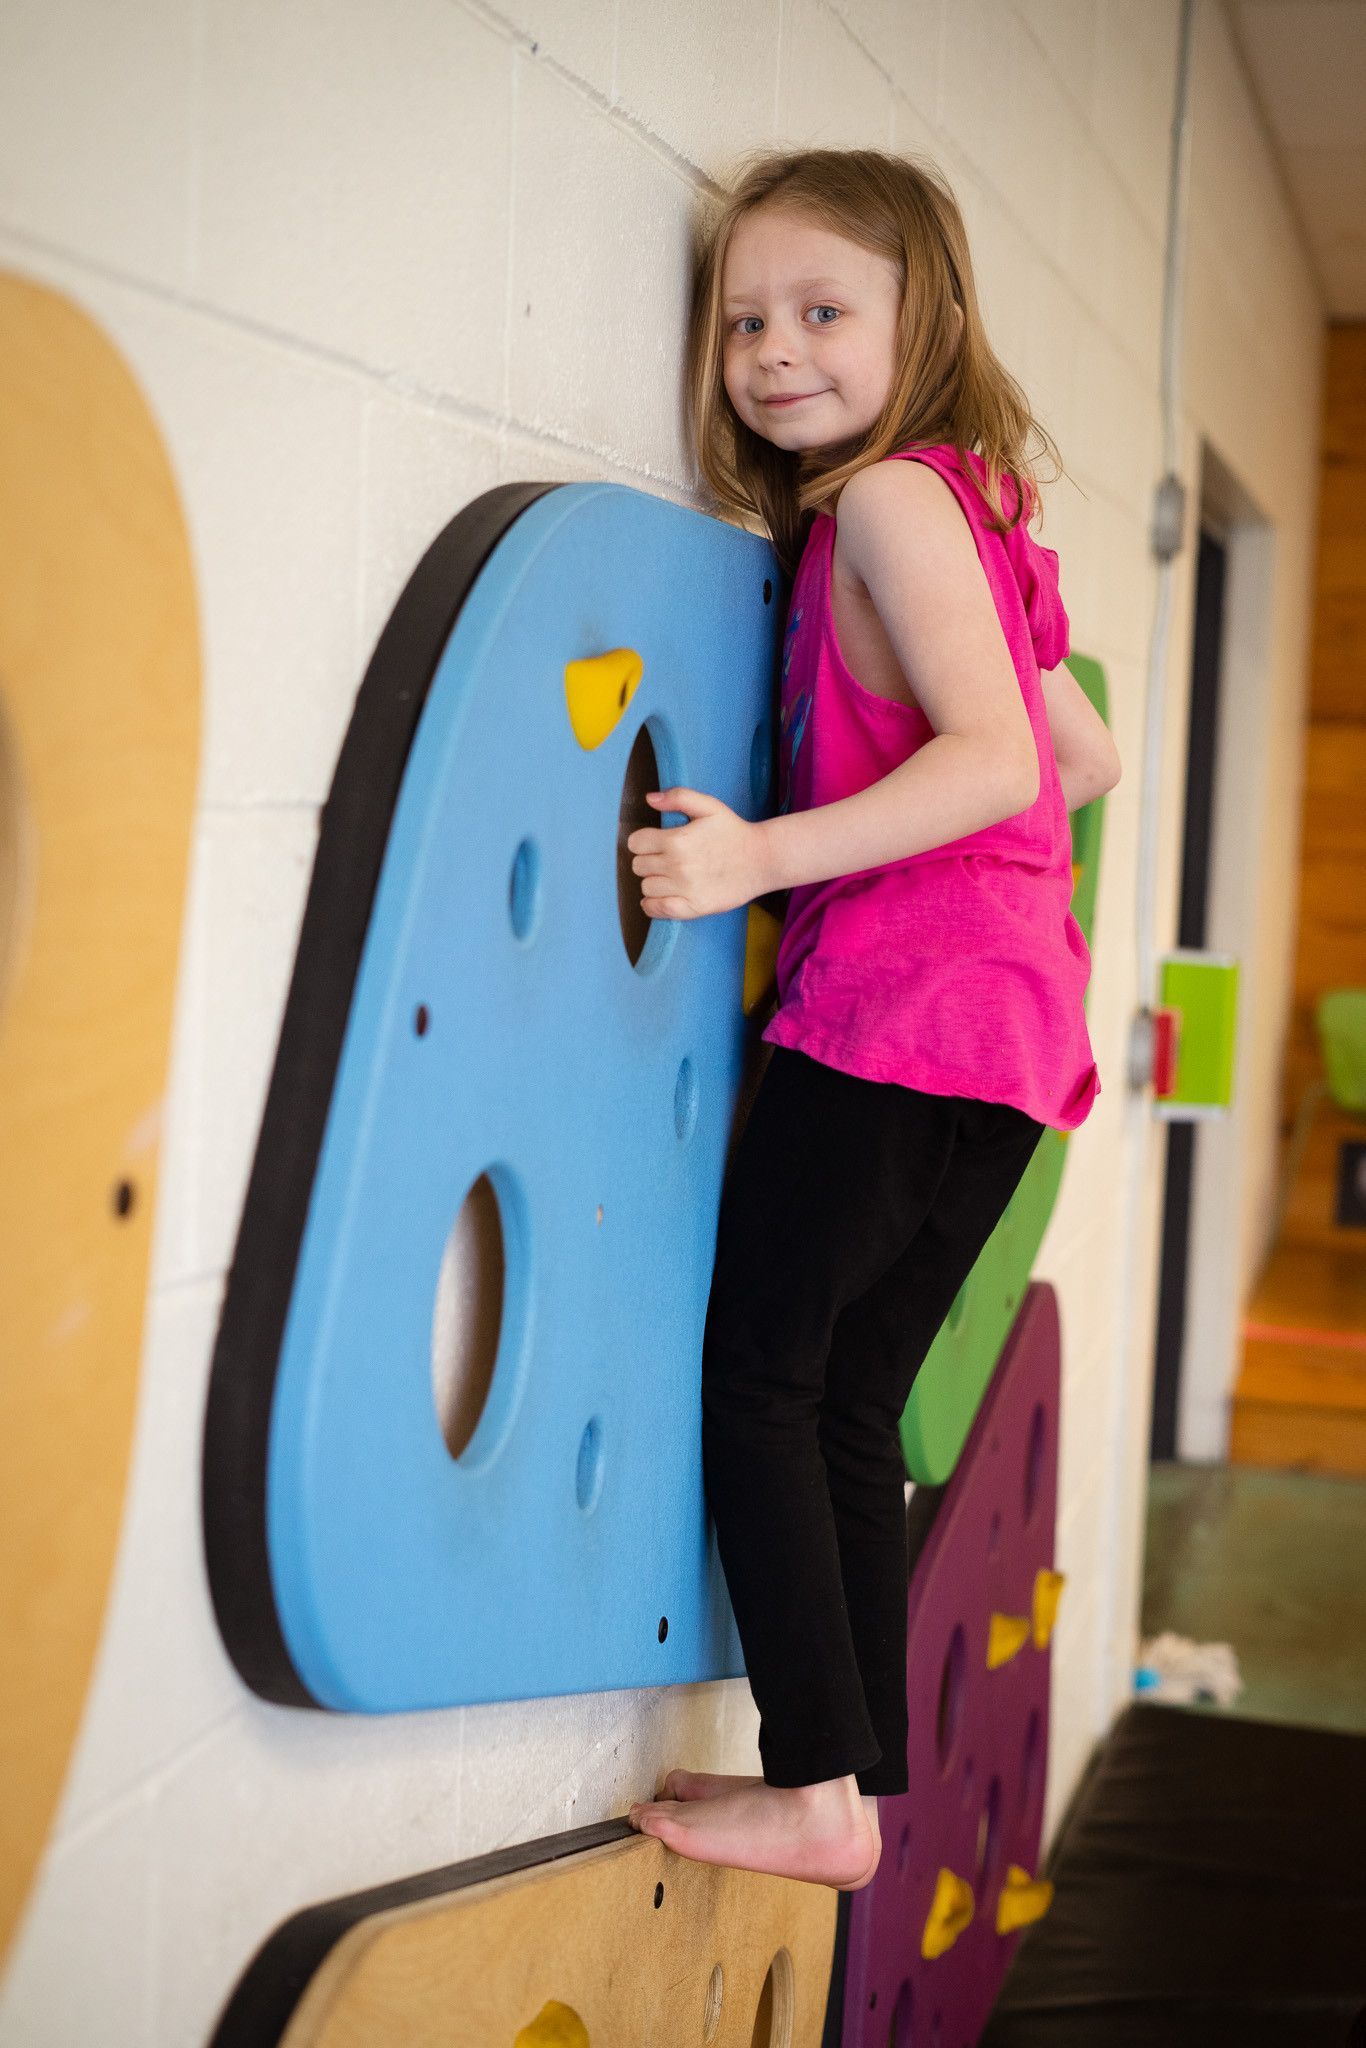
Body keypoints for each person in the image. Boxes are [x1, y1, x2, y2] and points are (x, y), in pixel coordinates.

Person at [623, 147, 1121, 1892]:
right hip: (1009, 1037)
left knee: (763, 1376)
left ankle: (815, 1787)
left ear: (925, 320)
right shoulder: (979, 515)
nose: (773, 350)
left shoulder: (890, 505)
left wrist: (765, 853)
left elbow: (994, 766)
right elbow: (1081, 755)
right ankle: (852, 1798)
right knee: (851, 1401)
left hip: (900, 1014)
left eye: (823, 310)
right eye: (743, 316)